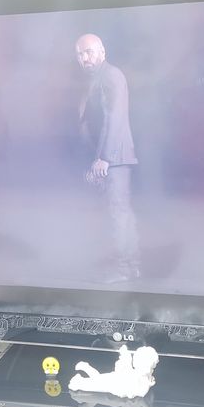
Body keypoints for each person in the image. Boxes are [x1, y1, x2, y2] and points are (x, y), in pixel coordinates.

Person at [75, 33, 141, 282]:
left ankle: (125, 268)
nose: (84, 58)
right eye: (80, 54)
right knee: (119, 211)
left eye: (89, 52)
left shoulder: (111, 75)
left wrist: (104, 157)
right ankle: (129, 265)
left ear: (102, 51)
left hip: (114, 157)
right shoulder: (96, 79)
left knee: (118, 212)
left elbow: (115, 116)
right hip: (107, 157)